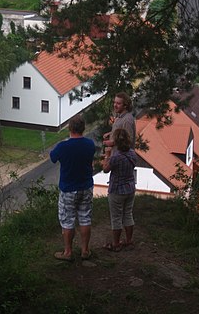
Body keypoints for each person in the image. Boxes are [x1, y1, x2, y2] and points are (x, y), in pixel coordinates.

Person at [50, 114, 95, 262]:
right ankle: (85, 250)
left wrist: (63, 142)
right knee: (85, 217)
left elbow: (53, 157)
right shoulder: (90, 145)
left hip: (68, 188)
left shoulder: (63, 147)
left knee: (68, 220)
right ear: (83, 128)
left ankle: (68, 252)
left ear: (70, 128)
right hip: (86, 187)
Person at [102, 127, 137, 251]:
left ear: (115, 142)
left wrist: (107, 155)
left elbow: (105, 169)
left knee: (116, 217)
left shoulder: (116, 157)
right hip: (130, 188)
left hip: (117, 190)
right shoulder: (132, 154)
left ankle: (116, 244)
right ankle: (129, 241)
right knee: (128, 214)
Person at [103, 92, 136, 157]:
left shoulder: (127, 120)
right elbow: (122, 132)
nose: (115, 105)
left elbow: (128, 141)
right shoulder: (120, 116)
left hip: (122, 158)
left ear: (125, 105)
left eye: (118, 103)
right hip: (116, 156)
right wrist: (111, 133)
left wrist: (113, 143)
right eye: (114, 102)